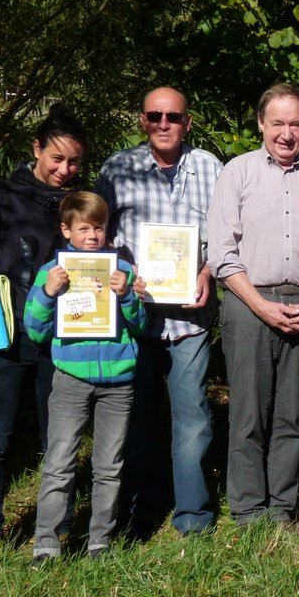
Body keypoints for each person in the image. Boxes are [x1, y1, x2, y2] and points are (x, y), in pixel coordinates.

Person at [207, 84, 299, 537]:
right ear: (261, 125)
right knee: (248, 414)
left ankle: (281, 510)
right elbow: (222, 252)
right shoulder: (238, 172)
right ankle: (249, 513)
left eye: (295, 124)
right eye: (278, 123)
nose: (287, 133)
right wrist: (261, 306)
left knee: (291, 416)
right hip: (250, 303)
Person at [0, 104, 86, 556]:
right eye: (57, 159)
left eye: (74, 162)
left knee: (59, 439)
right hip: (4, 337)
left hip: (60, 337)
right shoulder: (1, 197)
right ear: (37, 149)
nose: (65, 170)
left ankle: (58, 527)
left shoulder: (78, 202)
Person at [95, 87, 223, 538]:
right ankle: (138, 513)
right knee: (138, 418)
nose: (164, 123)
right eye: (155, 116)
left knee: (192, 417)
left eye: (173, 116)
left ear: (188, 122)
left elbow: (228, 238)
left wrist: (207, 273)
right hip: (135, 320)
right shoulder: (117, 169)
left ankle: (193, 515)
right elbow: (96, 239)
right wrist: (122, 272)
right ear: (142, 121)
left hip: (190, 321)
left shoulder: (211, 167)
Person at [23, 192, 148, 563]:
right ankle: (47, 542)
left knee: (109, 465)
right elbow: (35, 330)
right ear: (66, 230)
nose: (92, 236)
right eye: (83, 229)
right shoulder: (51, 272)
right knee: (60, 461)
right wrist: (48, 294)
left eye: (99, 228)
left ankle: (100, 541)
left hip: (119, 379)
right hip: (71, 378)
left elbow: (140, 325)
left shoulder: (121, 270)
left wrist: (126, 296)